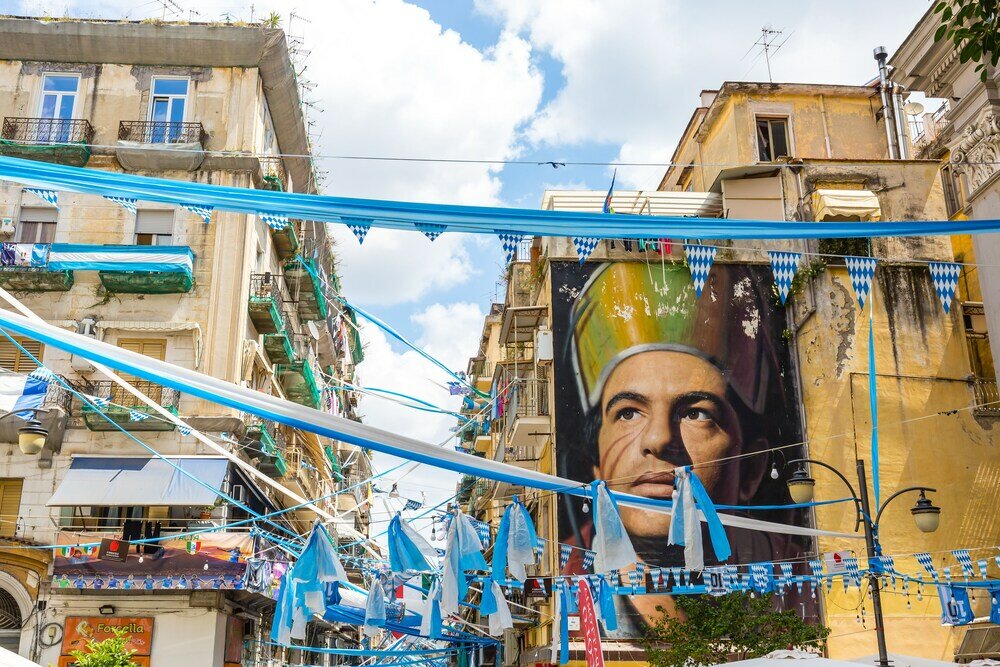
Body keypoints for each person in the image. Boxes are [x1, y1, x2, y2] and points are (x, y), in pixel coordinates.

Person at [558, 261, 812, 633]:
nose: (659, 439)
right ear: (596, 466)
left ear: (752, 469)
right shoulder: (567, 576)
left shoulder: (801, 583)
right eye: (629, 413)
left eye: (696, 413)